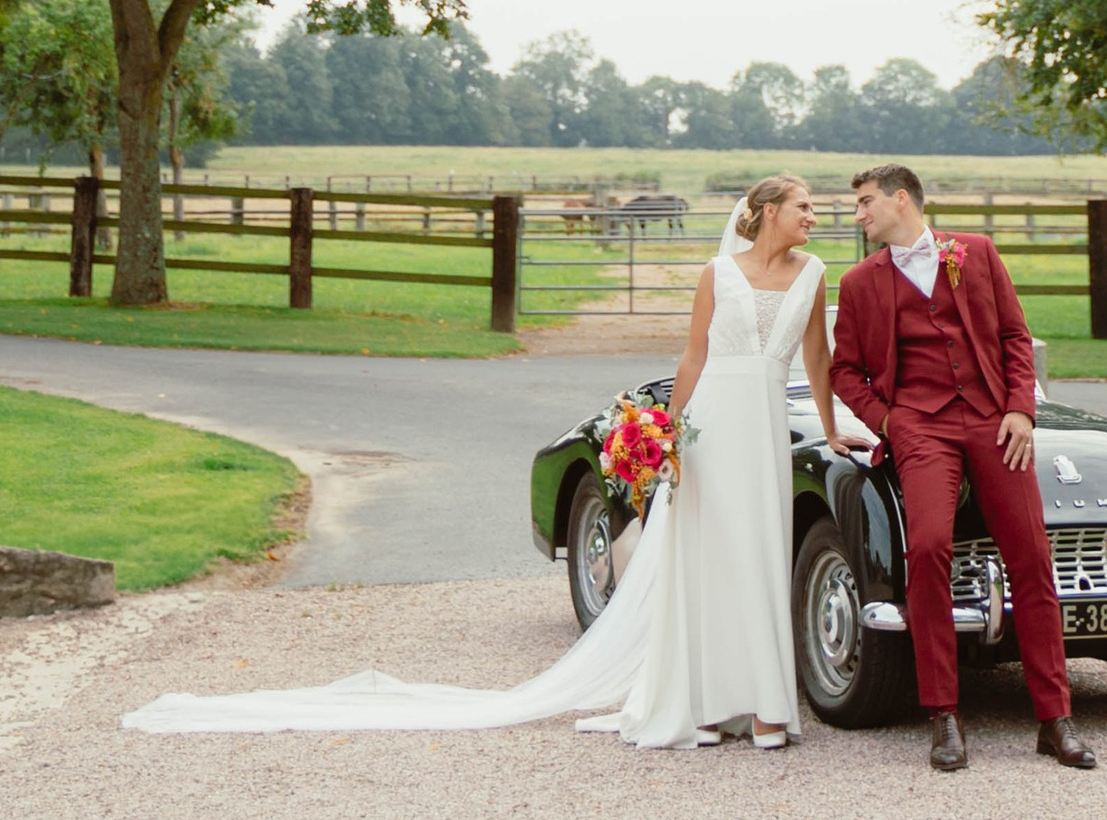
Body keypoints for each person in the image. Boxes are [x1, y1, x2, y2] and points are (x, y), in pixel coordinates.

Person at [121, 176, 841, 749]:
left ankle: (771, 709)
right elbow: (694, 356)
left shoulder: (814, 273)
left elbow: (817, 358)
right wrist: (670, 434)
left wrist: (837, 430)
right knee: (704, 563)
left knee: (758, 555)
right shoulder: (717, 272)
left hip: (764, 427)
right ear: (768, 211)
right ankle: (708, 706)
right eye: (804, 205)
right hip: (712, 423)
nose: (816, 214)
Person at [830, 161, 1096, 774]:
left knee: (1031, 555)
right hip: (920, 425)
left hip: (991, 419)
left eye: (866, 202)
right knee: (926, 549)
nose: (859, 214)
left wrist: (1021, 412)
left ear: (901, 200)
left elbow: (1014, 338)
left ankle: (1055, 719)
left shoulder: (975, 253)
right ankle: (943, 715)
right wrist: (890, 421)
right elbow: (845, 371)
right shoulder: (860, 282)